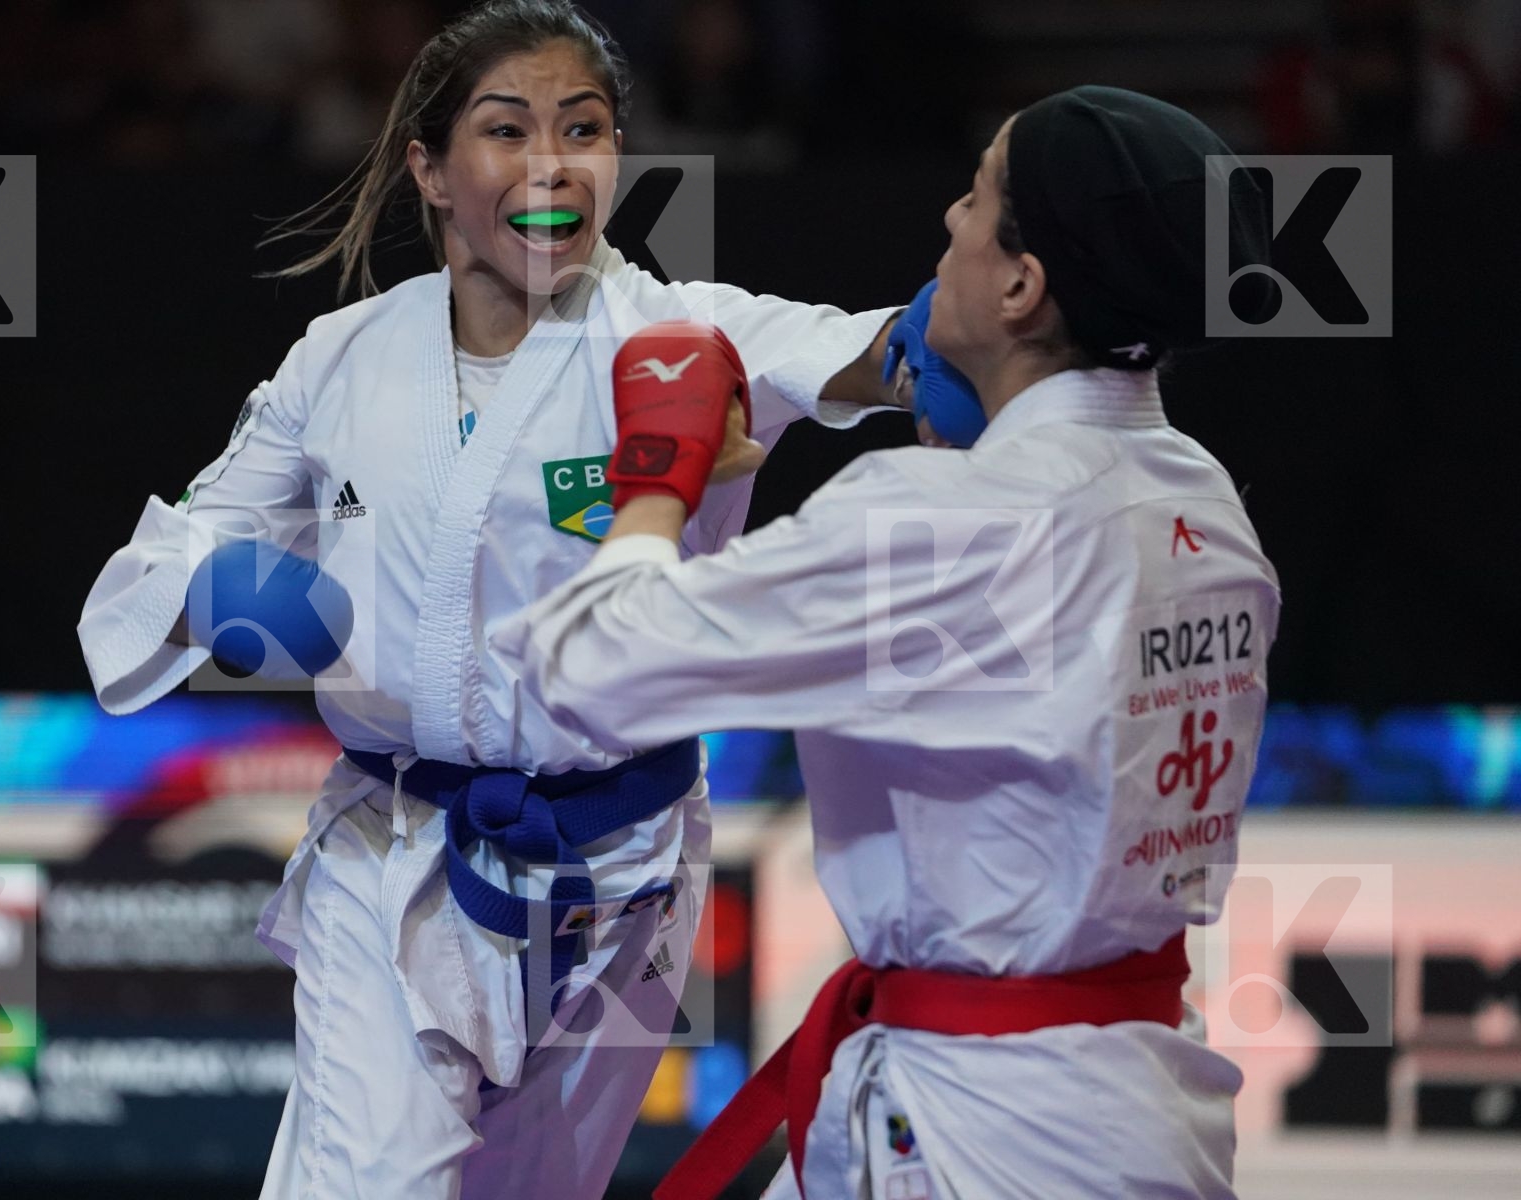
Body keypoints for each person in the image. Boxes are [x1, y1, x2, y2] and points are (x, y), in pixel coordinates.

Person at [75, 2, 974, 1196]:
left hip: (625, 872)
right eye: (507, 131)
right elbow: (175, 552)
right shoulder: (338, 359)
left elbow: (873, 353)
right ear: (431, 171)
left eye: (585, 130)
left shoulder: (685, 339)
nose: (553, 165)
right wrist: (210, 593)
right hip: (392, 859)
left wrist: (955, 338)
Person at [494, 85, 1283, 1198]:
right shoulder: (1204, 502)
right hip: (1118, 1098)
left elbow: (582, 665)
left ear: (1022, 282)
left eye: (977, 195)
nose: (951, 221)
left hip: (983, 1132)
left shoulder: (953, 522)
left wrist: (656, 478)